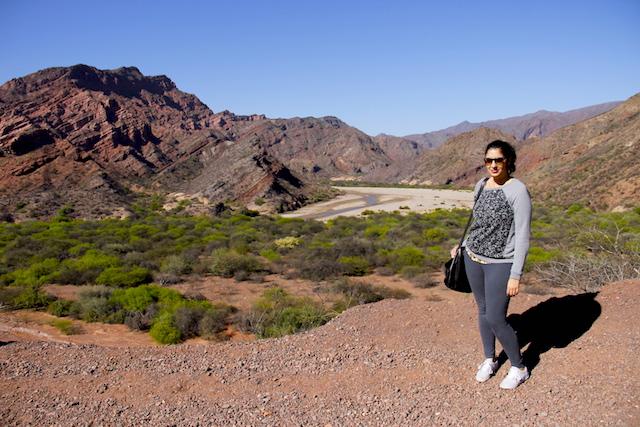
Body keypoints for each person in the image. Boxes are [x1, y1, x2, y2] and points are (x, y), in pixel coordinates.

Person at [450, 139, 532, 390]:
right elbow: (477, 222)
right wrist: (462, 245)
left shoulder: (517, 190)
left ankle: (519, 367)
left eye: (498, 160)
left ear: (509, 161)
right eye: (489, 160)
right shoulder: (481, 185)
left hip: (500, 262)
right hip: (473, 257)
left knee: (496, 317)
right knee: (483, 310)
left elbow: (523, 235)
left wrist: (515, 274)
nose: (493, 165)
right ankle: (490, 358)